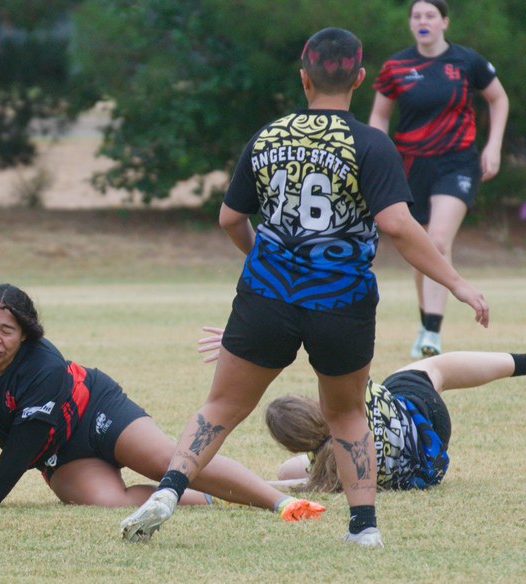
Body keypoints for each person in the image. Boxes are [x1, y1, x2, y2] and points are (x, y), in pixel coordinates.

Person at [119, 27, 489, 548]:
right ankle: (364, 527)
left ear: (303, 77)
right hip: (341, 302)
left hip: (266, 296)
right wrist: (456, 284)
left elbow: (230, 218)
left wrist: (264, 259)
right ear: (360, 78)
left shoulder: (268, 136)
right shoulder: (371, 144)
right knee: (344, 412)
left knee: (221, 407)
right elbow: (401, 227)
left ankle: (169, 490)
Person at [0, 283, 326, 521]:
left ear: (25, 333)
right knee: (109, 503)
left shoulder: (43, 366)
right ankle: (219, 497)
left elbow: (19, 453)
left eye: (6, 330)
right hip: (59, 455)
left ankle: (282, 504)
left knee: (165, 460)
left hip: (97, 412)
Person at [197, 327, 525, 491]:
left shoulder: (332, 475)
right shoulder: (354, 403)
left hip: (426, 465)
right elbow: (330, 351)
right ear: (313, 406)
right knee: (433, 369)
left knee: (287, 471)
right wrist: (255, 339)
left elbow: (289, 481)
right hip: (422, 418)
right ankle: (520, 363)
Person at [369, 0, 509, 358]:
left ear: (444, 21)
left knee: (438, 239)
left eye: (430, 15)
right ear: (410, 24)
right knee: (422, 248)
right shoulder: (396, 66)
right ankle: (426, 324)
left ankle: (432, 333)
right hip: (412, 165)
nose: (423, 21)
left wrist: (492, 147)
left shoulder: (467, 62)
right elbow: (379, 118)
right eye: (416, 16)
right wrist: (377, 157)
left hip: (458, 163)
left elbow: (499, 99)